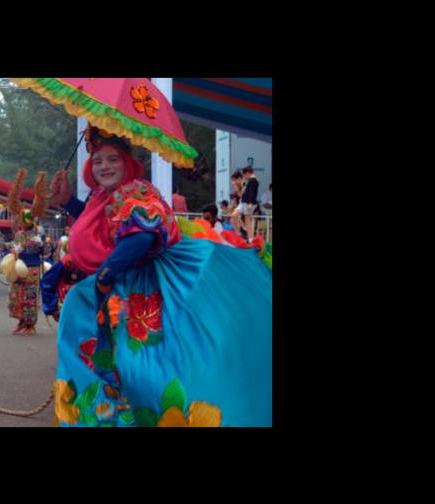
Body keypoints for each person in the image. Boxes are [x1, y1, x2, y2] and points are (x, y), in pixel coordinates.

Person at [42, 126, 271, 427]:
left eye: (113, 159)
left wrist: (108, 273)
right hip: (114, 284)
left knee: (147, 366)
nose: (104, 166)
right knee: (108, 357)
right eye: (97, 160)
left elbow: (141, 235)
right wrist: (68, 200)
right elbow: (105, 222)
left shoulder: (136, 190)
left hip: (147, 283)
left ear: (127, 162)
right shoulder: (105, 195)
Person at [6, 169, 50, 336]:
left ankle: (30, 325)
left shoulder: (38, 235)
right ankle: (21, 322)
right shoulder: (19, 235)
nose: (22, 224)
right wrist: (13, 252)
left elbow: (45, 252)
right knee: (17, 297)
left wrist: (38, 245)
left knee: (30, 298)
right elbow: (15, 248)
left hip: (31, 269)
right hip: (18, 269)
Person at [240, 167, 260, 239]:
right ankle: (249, 236)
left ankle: (250, 238)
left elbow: (252, 193)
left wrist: (250, 203)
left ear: (248, 173)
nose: (244, 177)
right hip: (246, 202)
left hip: (249, 203)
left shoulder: (253, 181)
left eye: (244, 175)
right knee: (245, 220)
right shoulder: (251, 181)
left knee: (247, 221)